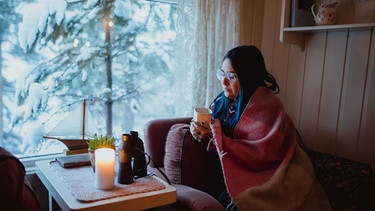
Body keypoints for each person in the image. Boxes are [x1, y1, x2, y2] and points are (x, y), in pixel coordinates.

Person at [190, 45, 332, 210]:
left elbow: (263, 154)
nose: (223, 81)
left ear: (247, 78)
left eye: (231, 76)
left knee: (236, 202)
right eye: (222, 73)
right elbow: (218, 135)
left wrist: (214, 137)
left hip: (278, 173)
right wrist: (200, 131)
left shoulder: (268, 106)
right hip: (241, 172)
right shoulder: (221, 102)